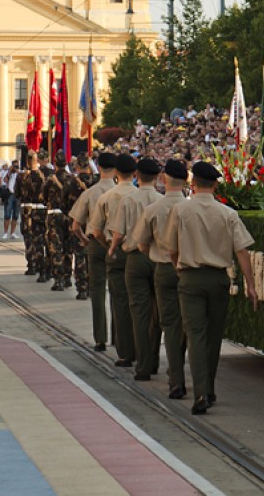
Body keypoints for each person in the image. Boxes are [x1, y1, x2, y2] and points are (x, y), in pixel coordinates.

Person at [160, 161, 258, 415]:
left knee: (195, 335)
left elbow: (171, 248)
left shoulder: (181, 210)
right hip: (218, 279)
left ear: (193, 184)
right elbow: (243, 252)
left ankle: (201, 391)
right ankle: (209, 389)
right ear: (215, 185)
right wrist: (251, 285)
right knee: (213, 337)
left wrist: (178, 267)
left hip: (190, 278)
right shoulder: (227, 214)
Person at [134, 158, 190, 398]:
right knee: (190, 325)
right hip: (189, 269)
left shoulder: (153, 208)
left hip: (164, 269)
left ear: (164, 179)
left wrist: (157, 255)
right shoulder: (191, 207)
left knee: (170, 324)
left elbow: (141, 244)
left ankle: (176, 379)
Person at [109, 156, 163, 381]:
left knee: (139, 312)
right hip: (159, 258)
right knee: (158, 312)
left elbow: (119, 233)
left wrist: (112, 249)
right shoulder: (162, 200)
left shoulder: (128, 200)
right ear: (158, 177)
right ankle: (154, 360)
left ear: (137, 176)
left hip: (135, 258)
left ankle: (142, 366)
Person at [89, 153, 137, 367]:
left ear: (116, 173)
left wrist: (108, 247)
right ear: (134, 174)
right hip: (139, 254)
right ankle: (144, 353)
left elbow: (96, 230)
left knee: (119, 302)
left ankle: (124, 351)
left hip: (115, 252)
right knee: (141, 305)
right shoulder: (143, 197)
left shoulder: (105, 197)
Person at [70, 152, 118, 350]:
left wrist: (84, 240)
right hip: (116, 244)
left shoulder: (90, 193)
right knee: (118, 292)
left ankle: (100, 338)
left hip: (95, 245)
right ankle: (119, 337)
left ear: (97, 167)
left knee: (97, 291)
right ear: (115, 170)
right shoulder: (125, 193)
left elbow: (75, 225)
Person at [43, 152, 76, 292]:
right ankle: (68, 278)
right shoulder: (72, 179)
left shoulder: (50, 179)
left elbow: (43, 196)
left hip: (54, 216)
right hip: (69, 216)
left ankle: (59, 280)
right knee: (68, 247)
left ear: (55, 163)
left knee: (55, 248)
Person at [63, 155, 94, 299]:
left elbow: (63, 203)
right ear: (88, 166)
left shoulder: (71, 182)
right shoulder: (96, 181)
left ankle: (82, 289)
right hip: (95, 222)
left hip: (77, 222)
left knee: (79, 255)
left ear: (76, 166)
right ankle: (93, 287)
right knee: (93, 256)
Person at [16, 151, 49, 280]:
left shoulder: (21, 176)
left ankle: (31, 265)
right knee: (42, 239)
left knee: (28, 239)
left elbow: (17, 193)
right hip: (40, 210)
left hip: (25, 210)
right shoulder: (44, 176)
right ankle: (45, 267)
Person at [1, 161, 21, 240]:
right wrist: (9, 171)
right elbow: (5, 180)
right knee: (7, 215)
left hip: (17, 196)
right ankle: (5, 233)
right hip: (10, 195)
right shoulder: (9, 174)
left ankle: (12, 232)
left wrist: (18, 172)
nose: (15, 167)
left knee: (16, 215)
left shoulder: (19, 174)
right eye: (14, 166)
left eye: (17, 165)